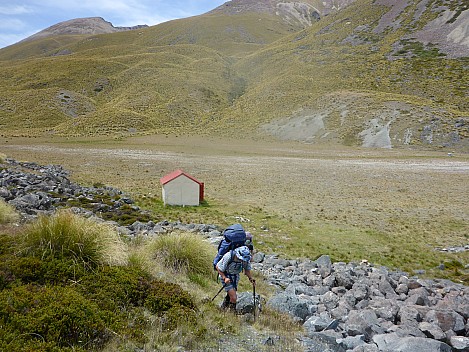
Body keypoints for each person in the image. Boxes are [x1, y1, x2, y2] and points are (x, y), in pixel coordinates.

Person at [216, 245, 256, 312]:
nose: (242, 260)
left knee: (230, 295)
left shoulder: (245, 259)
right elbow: (218, 267)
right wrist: (224, 278)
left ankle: (222, 309)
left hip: (235, 277)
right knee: (234, 297)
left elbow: (246, 270)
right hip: (226, 276)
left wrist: (251, 279)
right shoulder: (228, 256)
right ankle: (232, 315)